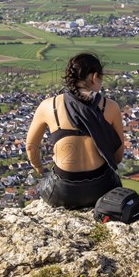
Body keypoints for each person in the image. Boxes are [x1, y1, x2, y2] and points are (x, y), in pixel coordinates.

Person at [26, 53, 124, 209]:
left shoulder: (48, 106)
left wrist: (39, 167)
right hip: (101, 189)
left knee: (46, 182)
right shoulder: (110, 107)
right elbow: (118, 155)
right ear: (95, 77)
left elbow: (31, 146)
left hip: (62, 192)